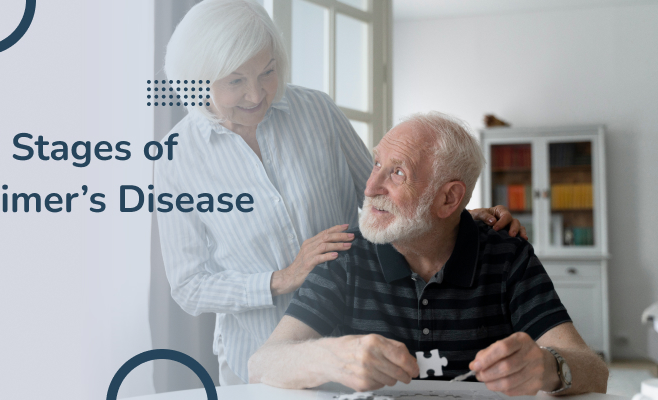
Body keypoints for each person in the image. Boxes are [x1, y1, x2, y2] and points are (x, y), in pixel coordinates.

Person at [156, 0, 526, 385]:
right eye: (235, 81)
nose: (256, 94)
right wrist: (281, 278)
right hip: (255, 357)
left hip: (353, 348)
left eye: (267, 72)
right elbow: (189, 286)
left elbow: (385, 195)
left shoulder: (316, 111)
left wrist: (455, 218)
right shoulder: (176, 158)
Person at [248, 112, 609, 396]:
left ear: (449, 198)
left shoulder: (507, 254)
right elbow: (262, 363)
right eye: (377, 164)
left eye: (398, 172)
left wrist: (547, 367)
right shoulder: (345, 253)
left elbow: (594, 372)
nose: (371, 187)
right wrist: (331, 358)